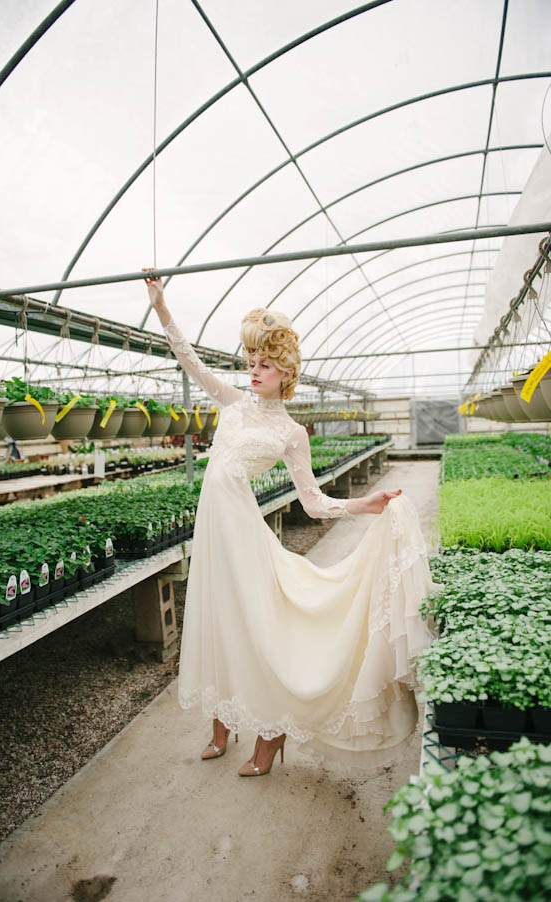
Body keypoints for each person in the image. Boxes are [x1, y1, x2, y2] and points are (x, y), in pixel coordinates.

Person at [143, 274, 435, 777]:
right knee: (215, 621)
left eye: (265, 365)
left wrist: (366, 504)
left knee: (258, 631)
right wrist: (161, 306)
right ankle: (221, 725)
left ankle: (270, 734)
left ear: (286, 373)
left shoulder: (290, 432)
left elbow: (315, 501)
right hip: (212, 536)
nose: (254, 372)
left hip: (244, 539)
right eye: (250, 363)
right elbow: (189, 360)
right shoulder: (232, 404)